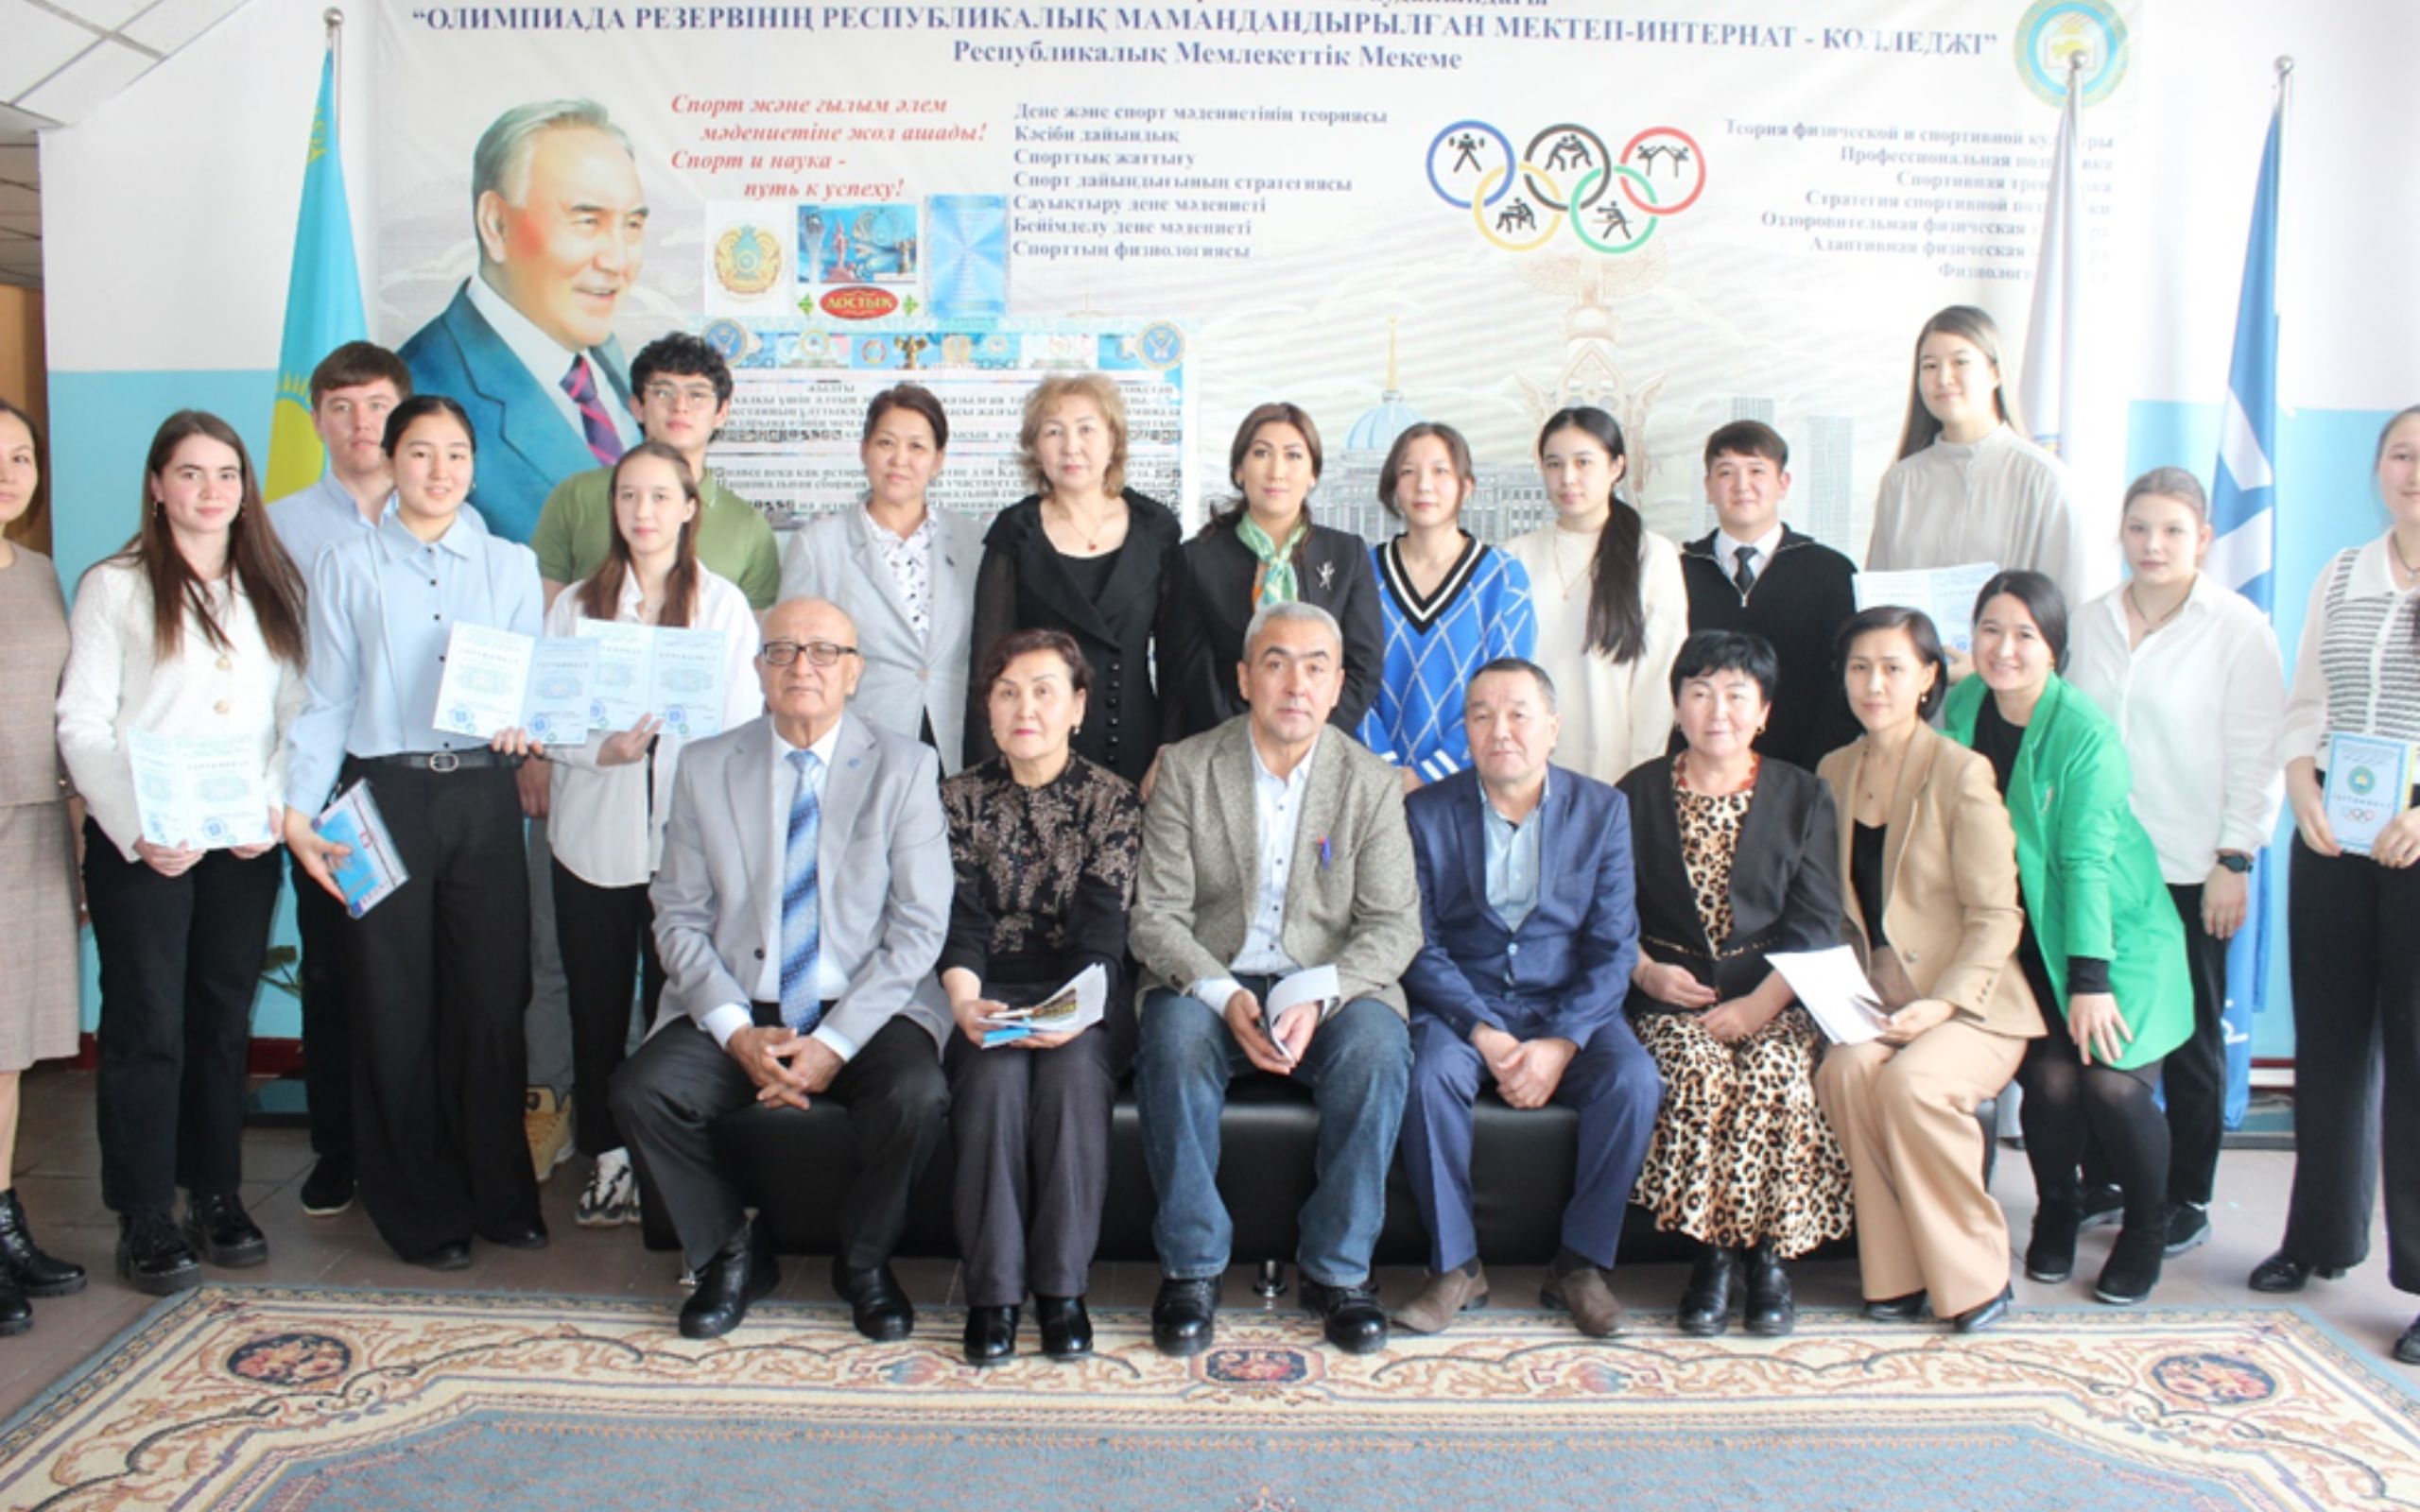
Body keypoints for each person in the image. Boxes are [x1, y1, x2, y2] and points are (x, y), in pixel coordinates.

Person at [610, 598, 952, 1343]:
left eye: (825, 652)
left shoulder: (906, 766)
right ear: (759, 668)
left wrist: (835, 1043)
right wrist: (735, 1032)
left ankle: (863, 1262)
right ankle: (731, 1253)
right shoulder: (706, 766)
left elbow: (920, 927)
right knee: (642, 1091)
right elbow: (678, 914)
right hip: (743, 999)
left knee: (917, 1097)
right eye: (783, 650)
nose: (803, 666)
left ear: (854, 672)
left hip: (865, 1002)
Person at [281, 395, 548, 1269]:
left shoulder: (509, 564)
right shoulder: (347, 563)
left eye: (457, 454)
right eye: (422, 452)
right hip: (382, 798)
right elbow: (327, 698)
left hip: (481, 797)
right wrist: (296, 811)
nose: (441, 470)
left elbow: (532, 685)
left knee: (491, 1002)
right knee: (392, 1005)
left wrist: (528, 723)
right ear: (391, 461)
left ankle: (500, 1193)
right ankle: (418, 1208)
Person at [57, 412, 308, 1294]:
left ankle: (216, 1193)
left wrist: (270, 803)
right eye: (191, 473)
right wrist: (135, 825)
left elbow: (296, 710)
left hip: (241, 843)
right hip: (145, 846)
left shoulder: (271, 582)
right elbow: (82, 723)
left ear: (245, 490)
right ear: (158, 486)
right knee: (146, 1027)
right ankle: (143, 1212)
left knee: (220, 1020)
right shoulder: (115, 587)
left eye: (227, 474)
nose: (211, 491)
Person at [1131, 601, 1419, 1357]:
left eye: (1316, 668)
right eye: (1276, 663)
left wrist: (1320, 995)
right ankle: (1191, 1267)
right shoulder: (1189, 768)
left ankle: (1339, 1271)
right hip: (1212, 978)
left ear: (1337, 686)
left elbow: (1394, 926)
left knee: (1377, 1050)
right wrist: (1223, 994)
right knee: (1173, 1041)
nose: (1296, 684)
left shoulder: (1370, 783)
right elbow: (1155, 917)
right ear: (1244, 678)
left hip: (1327, 986)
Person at [1944, 571, 2192, 1306]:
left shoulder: (2085, 734)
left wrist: (2090, 980)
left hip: (2114, 935)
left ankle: (2146, 1227)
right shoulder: (1965, 703)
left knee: (2112, 1086)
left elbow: (2085, 865)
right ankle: (2058, 1208)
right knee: (2050, 1082)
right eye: (1991, 630)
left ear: (2055, 647)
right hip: (2027, 938)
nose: (2005, 649)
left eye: (2026, 634)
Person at [1394, 658, 1659, 1337]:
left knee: (1634, 1080)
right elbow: (1416, 942)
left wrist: (1561, 1042)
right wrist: (1482, 1030)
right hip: (1463, 1005)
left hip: (1566, 1004)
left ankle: (1578, 1265)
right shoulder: (1425, 812)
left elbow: (1613, 946)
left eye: (1518, 714)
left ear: (1553, 727)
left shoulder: (1602, 811)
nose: (1500, 731)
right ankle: (1456, 1265)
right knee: (1425, 1075)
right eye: (1481, 715)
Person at [540, 442, 761, 1228]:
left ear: (690, 508)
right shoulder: (576, 607)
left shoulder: (723, 607)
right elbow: (549, 723)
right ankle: (607, 1157)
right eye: (629, 496)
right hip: (592, 841)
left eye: (661, 496)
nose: (643, 512)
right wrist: (601, 750)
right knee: (596, 1005)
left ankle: (674, 1158)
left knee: (684, 1003)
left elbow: (744, 732)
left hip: (690, 848)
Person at [2067, 468, 2286, 1257]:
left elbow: (2259, 752)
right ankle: (2103, 1179)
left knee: (2188, 1041)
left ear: (2203, 539)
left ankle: (2187, 1194)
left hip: (2191, 864)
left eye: (2171, 530)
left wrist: (2236, 856)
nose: (2152, 545)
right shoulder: (2089, 620)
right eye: (2138, 528)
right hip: (2098, 865)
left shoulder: (2237, 628)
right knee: (2097, 1028)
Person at [1813, 607, 2043, 1333]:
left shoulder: (1960, 771)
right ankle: (1897, 1273)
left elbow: (1996, 915)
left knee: (1913, 1085)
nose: (1873, 684)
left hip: (1971, 1005)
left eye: (1892, 668)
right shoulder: (1834, 770)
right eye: (1859, 668)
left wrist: (1944, 1004)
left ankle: (1977, 1274)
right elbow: (1838, 911)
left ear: (1927, 679)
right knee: (1846, 1072)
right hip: (1878, 998)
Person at [1618, 629, 1851, 1337]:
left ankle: (1770, 1261)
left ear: (1764, 711)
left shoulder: (1803, 795)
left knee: (1777, 1073)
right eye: (1699, 693)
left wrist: (1757, 1007)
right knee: (1699, 1070)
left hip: (1776, 992)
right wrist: (1645, 970)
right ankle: (1714, 1260)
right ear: (1677, 706)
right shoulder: (1635, 792)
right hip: (1671, 995)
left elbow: (1818, 925)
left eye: (1736, 695)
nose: (1717, 711)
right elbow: (1604, 910)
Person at [2256, 406, 2420, 1366]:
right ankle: (2317, 1237)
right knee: (2328, 1049)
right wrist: (2299, 786)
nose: (2414, 471)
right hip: (2332, 831)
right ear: (2378, 469)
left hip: (2418, 837)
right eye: (2401, 454)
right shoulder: (2345, 572)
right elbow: (2306, 700)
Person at [941, 628, 1143, 1366]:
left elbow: (1102, 930)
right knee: (992, 1079)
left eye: (1044, 691)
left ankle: (1062, 1291)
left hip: (1083, 989)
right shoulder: (957, 799)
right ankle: (994, 1295)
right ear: (989, 710)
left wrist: (1073, 1014)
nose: (1025, 708)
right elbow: (960, 923)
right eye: (1008, 693)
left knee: (1069, 1076)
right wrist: (966, 1005)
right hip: (986, 987)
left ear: (1078, 707)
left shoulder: (1113, 801)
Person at [268, 340, 412, 1220]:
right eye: (343, 407)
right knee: (331, 969)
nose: (363, 424)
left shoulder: (445, 517)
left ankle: (415, 1142)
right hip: (324, 780)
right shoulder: (275, 527)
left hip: (416, 780)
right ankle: (339, 1149)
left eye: (379, 406)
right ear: (318, 419)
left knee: (416, 970)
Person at [399, 98, 647, 544]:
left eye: (632, 225)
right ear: (496, 224)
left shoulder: (605, 357)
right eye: (586, 221)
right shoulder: (414, 391)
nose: (617, 260)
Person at [964, 374, 1187, 786]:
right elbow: (987, 665)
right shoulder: (1015, 532)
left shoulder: (1155, 528)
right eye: (1053, 432)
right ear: (1035, 448)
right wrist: (990, 773)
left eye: (1086, 429)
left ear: (1113, 440)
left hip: (1136, 749)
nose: (1071, 446)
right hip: (1035, 751)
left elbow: (1179, 660)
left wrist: (1171, 753)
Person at [0, 398, 86, 1332]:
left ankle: (2, 1221)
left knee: (9, 1049)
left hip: (30, 829)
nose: (8, 473)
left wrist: (76, 824)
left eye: (21, 456)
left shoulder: (37, 573)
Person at [781, 383, 982, 770]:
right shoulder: (818, 546)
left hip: (957, 742)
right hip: (859, 745)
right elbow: (791, 657)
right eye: (886, 443)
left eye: (917, 447)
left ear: (938, 460)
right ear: (864, 450)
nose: (899, 460)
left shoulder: (973, 542)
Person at [1172, 404, 1383, 744]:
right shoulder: (1197, 558)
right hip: (1224, 745)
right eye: (1261, 453)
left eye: (1293, 455)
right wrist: (1247, 743)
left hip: (1320, 746)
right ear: (1239, 470)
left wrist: (1309, 738)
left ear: (1313, 473)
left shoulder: (1347, 554)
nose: (1277, 471)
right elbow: (1190, 671)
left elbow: (1364, 666)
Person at [533, 332, 780, 612]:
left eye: (697, 395)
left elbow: (752, 632)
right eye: (663, 392)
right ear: (637, 407)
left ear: (721, 413)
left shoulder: (748, 527)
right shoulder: (576, 496)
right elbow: (546, 614)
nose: (680, 406)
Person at [1506, 406, 1687, 784]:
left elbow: (1659, 682)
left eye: (1583, 462)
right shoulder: (1514, 556)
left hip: (1617, 770)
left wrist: (1641, 777)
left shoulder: (1651, 555)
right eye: (1554, 464)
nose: (1567, 478)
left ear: (1616, 466)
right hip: (1525, 768)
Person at [1865, 305, 2090, 598]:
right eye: (1930, 366)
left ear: (1995, 373)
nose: (1943, 378)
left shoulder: (2044, 480)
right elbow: (1879, 602)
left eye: (1960, 362)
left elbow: (2070, 602)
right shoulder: (1900, 482)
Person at [1357, 422, 1537, 788]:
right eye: (1408, 472)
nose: (1424, 485)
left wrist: (1431, 772)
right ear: (1392, 486)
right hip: (1376, 786)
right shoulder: (1362, 572)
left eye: (1440, 471)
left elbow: (1508, 692)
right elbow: (1347, 682)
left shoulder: (1503, 578)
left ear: (1466, 486)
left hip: (1473, 785)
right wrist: (1388, 773)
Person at [1677, 421, 1858, 770]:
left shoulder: (1831, 572)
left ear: (1783, 483)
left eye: (1756, 471)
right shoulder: (1679, 572)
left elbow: (1842, 682)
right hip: (1699, 773)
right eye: (1726, 472)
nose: (1742, 485)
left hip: (1805, 771)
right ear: (1709, 487)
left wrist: (1813, 772)